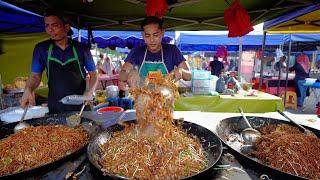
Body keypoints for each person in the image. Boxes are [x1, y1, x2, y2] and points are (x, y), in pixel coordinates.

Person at [20, 10, 98, 114]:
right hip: (55, 107)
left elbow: (94, 74)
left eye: (54, 25)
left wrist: (89, 92)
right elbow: (35, 76)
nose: (50, 30)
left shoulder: (81, 48)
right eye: (47, 26)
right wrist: (28, 90)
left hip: (81, 106)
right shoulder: (41, 49)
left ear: (66, 27)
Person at [119, 16, 191, 89]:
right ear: (143, 35)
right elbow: (121, 75)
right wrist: (130, 72)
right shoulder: (137, 51)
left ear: (162, 33)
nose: (152, 40)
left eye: (155, 35)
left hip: (165, 97)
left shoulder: (172, 50)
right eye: (147, 36)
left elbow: (189, 76)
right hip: (142, 97)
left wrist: (181, 71)